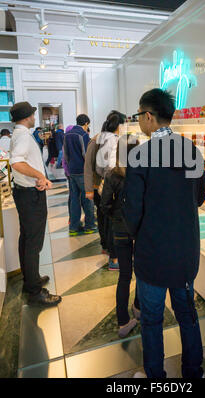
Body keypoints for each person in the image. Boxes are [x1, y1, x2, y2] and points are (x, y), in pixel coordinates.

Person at [122, 89, 205, 379]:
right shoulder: (191, 150)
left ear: (149, 116)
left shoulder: (140, 156)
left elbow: (132, 212)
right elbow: (199, 197)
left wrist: (138, 234)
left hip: (152, 255)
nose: (139, 123)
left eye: (139, 116)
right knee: (188, 317)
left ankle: (156, 377)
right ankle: (194, 372)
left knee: (152, 321)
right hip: (185, 253)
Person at [9, 101, 61, 307]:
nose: (34, 117)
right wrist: (40, 175)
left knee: (27, 239)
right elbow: (17, 162)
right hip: (30, 196)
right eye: (32, 114)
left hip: (25, 194)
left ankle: (31, 280)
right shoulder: (22, 136)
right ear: (27, 117)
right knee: (33, 243)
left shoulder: (19, 134)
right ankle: (35, 292)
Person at [101, 134, 141, 338]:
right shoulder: (144, 172)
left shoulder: (112, 175)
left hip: (120, 229)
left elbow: (104, 204)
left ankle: (123, 321)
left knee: (124, 275)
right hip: (141, 229)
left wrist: (116, 216)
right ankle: (139, 307)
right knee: (142, 273)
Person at [85, 111, 125, 269]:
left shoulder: (106, 139)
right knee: (105, 218)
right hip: (99, 186)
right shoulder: (98, 140)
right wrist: (88, 188)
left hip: (104, 185)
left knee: (104, 217)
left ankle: (107, 246)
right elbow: (88, 166)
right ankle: (109, 249)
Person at [63, 114, 96, 236]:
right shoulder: (83, 135)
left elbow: (65, 154)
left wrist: (70, 166)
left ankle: (74, 227)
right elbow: (86, 155)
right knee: (88, 199)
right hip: (83, 172)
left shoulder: (67, 135)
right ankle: (90, 226)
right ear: (86, 123)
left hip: (72, 172)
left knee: (74, 200)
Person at [62, 125, 74, 221]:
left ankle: (72, 218)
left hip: (69, 173)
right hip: (72, 173)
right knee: (74, 196)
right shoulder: (69, 143)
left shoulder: (66, 142)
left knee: (72, 195)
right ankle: (72, 218)